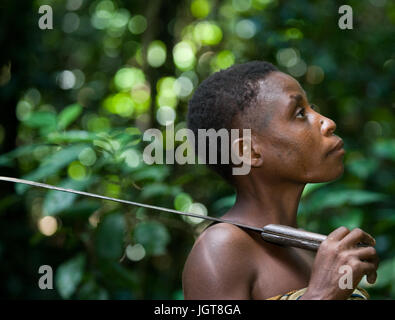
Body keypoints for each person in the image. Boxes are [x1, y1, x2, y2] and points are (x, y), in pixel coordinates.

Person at [182, 61, 379, 300]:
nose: (327, 122)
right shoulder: (220, 248)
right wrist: (322, 295)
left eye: (312, 107)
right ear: (249, 152)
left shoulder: (310, 250)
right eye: (299, 113)